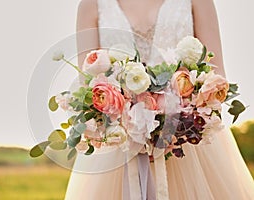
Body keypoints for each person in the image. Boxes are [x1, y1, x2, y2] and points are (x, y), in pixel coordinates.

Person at [65, 0, 254, 199]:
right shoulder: (92, 5)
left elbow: (217, 77)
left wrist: (175, 126)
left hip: (189, 142)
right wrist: (128, 125)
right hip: (118, 144)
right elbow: (87, 85)